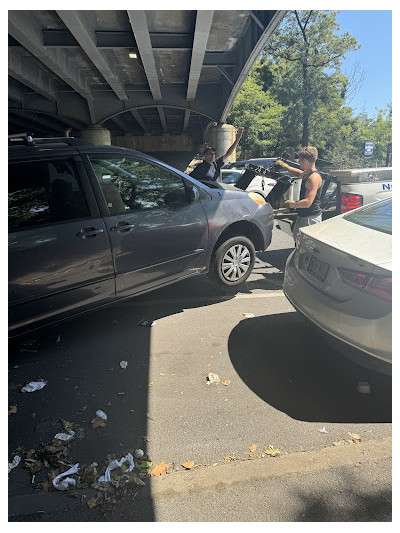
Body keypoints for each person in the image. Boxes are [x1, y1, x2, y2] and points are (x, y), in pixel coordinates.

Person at [275, 146, 322, 242]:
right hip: (303, 216)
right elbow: (299, 174)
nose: (299, 162)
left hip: (310, 219)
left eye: (300, 160)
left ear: (305, 160)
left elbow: (307, 202)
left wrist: (287, 203)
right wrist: (286, 168)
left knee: (308, 248)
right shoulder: (307, 173)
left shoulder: (313, 178)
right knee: (298, 244)